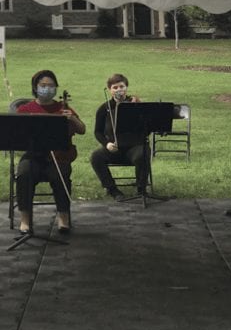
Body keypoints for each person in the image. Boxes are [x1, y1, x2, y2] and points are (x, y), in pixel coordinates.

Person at [15, 70, 86, 234]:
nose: (47, 88)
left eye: (51, 85)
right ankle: (25, 219)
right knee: (24, 174)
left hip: (59, 156)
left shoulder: (62, 108)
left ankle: (63, 217)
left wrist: (72, 118)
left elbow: (82, 130)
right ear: (35, 87)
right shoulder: (26, 109)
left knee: (60, 175)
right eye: (43, 85)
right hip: (33, 155)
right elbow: (18, 136)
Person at [90, 74, 146, 200]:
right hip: (114, 149)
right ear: (110, 90)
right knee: (96, 157)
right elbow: (97, 132)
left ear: (126, 87)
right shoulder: (104, 108)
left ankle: (141, 189)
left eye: (122, 86)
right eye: (115, 87)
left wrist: (139, 109)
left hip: (134, 148)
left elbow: (145, 128)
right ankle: (112, 189)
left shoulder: (135, 103)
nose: (119, 90)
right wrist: (107, 144)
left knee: (143, 153)